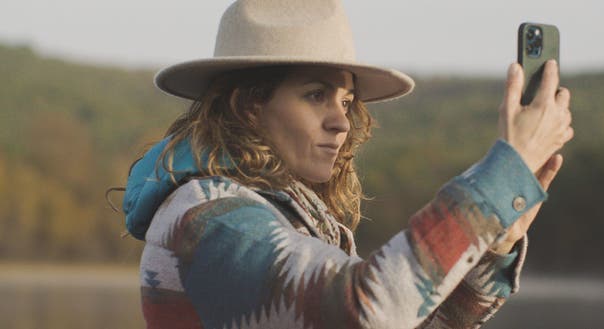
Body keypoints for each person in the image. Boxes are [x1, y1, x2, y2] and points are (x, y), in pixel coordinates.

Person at [122, 0, 573, 328]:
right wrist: (500, 180)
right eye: (316, 95)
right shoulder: (209, 215)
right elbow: (364, 310)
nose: (341, 121)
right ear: (249, 106)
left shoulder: (281, 215)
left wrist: (493, 248)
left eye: (346, 99)